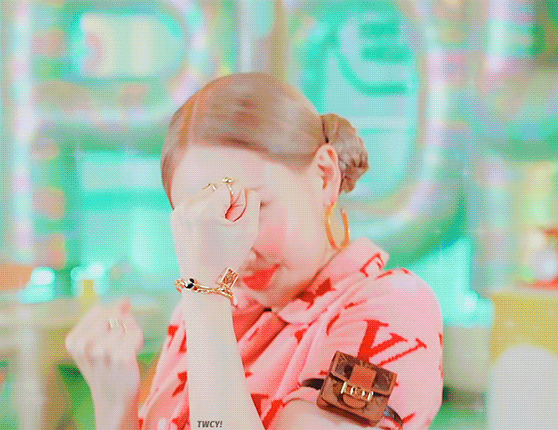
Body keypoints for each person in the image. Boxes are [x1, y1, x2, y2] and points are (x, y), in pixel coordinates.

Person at [65, 73, 443, 430]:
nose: (235, 253)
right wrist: (116, 408)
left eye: (252, 209)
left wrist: (205, 294)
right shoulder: (206, 310)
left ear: (324, 175)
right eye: (205, 227)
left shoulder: (395, 308)